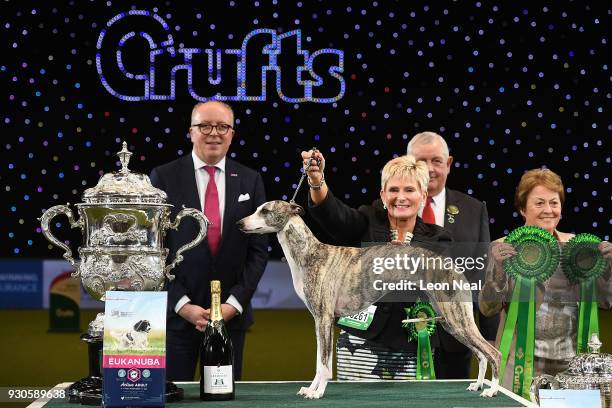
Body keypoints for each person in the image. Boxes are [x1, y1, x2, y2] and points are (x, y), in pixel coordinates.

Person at [301, 150, 452, 380]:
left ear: (423, 196)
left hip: (412, 350)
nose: (400, 197)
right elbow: (334, 215)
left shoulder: (438, 240)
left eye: (409, 190)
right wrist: (316, 180)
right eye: (393, 190)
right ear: (382, 195)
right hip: (359, 348)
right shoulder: (367, 221)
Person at [150, 101, 268, 381]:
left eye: (222, 126)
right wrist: (181, 304)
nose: (214, 133)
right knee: (172, 397)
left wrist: (233, 304)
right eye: (205, 126)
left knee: (222, 399)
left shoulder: (251, 180)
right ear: (191, 132)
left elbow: (258, 252)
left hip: (230, 319)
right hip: (176, 318)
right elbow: (152, 252)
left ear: (232, 134)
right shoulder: (162, 177)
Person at [479, 168, 611, 390]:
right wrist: (499, 270)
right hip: (518, 368)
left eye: (554, 203)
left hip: (572, 369)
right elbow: (487, 308)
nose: (548, 210)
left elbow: (606, 302)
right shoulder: (503, 247)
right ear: (522, 208)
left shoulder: (579, 248)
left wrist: (608, 268)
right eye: (539, 203)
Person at [407, 131, 499, 379]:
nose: (429, 169)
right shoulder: (391, 205)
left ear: (448, 164)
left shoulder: (474, 209)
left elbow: (482, 273)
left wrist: (489, 334)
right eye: (420, 161)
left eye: (437, 161)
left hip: (457, 339)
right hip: (400, 336)